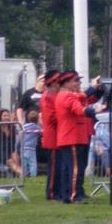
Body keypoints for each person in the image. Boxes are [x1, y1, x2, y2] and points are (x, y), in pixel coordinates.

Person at [55, 72, 105, 203]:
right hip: (72, 136)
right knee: (75, 168)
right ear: (66, 83)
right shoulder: (67, 96)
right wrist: (95, 111)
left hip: (74, 136)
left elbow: (89, 99)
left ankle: (68, 195)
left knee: (72, 168)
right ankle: (74, 196)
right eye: (75, 80)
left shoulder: (70, 96)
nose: (78, 83)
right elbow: (80, 109)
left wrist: (98, 89)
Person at [39, 69, 62, 200]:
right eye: (58, 81)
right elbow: (51, 117)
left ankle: (57, 191)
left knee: (58, 167)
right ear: (52, 83)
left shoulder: (54, 95)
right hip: (53, 137)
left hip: (58, 136)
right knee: (54, 169)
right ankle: (52, 193)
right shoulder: (47, 96)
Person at [21, 109, 42, 178]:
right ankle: (33, 176)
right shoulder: (37, 128)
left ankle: (23, 176)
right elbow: (41, 133)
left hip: (23, 147)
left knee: (24, 163)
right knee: (33, 163)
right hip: (31, 148)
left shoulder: (24, 127)